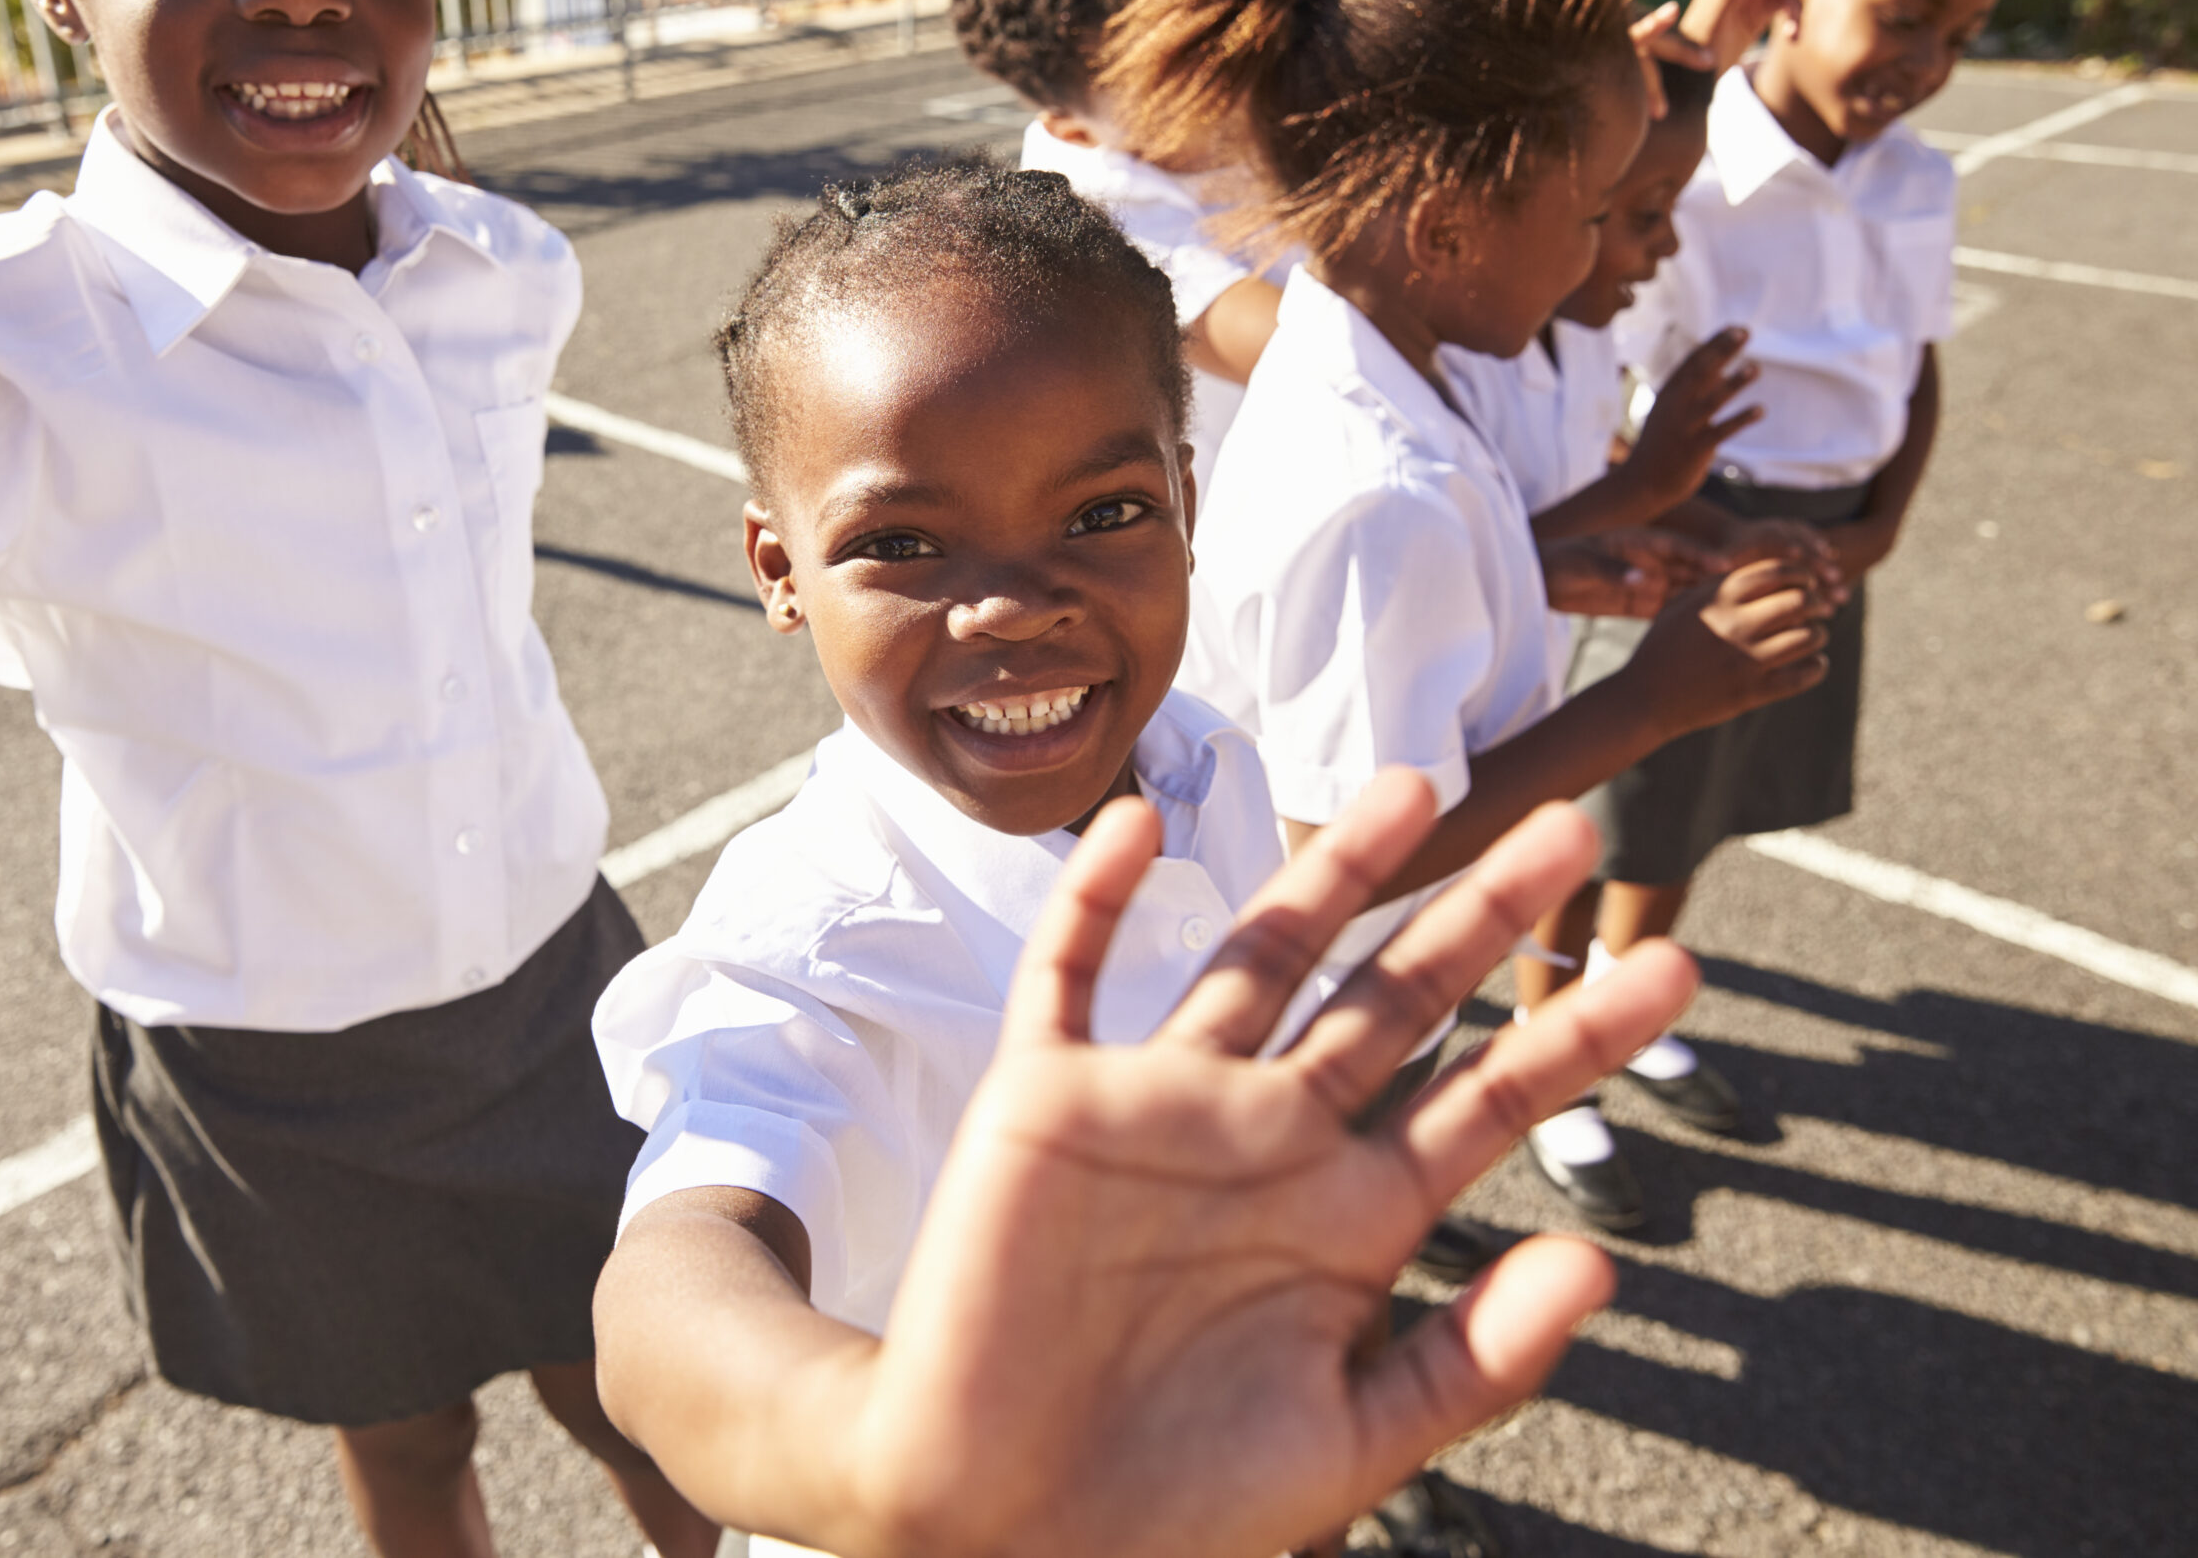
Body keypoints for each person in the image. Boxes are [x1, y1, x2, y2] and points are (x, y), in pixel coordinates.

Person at [0, 0, 715, 1554]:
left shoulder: (503, 268)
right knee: (412, 1442)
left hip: (563, 981)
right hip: (266, 1071)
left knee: (661, 1403)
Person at [585, 158, 1703, 1558]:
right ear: (779, 568)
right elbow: (678, 1278)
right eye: (902, 540)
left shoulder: (1203, 755)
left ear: (1185, 494)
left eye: (1102, 511)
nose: (1016, 606)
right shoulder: (813, 937)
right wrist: (886, 1445)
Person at [1096, 0, 1836, 1543]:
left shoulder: (1383, 366)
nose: (1605, 256)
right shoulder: (1380, 484)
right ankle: (1339, 1447)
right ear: (1444, 220)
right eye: (1586, 211)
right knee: (1319, 1249)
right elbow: (1353, 862)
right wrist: (1666, 695)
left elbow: (1425, 604)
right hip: (1330, 1006)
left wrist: (1580, 540)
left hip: (1335, 988)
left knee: (1333, 1235)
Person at [1563, 0, 2016, 1140]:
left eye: (1962, 35)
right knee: (1605, 803)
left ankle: (1619, 1004)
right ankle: (1548, 1066)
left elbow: (1914, 362)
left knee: (1705, 805)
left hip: (1828, 536)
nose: (1926, 62)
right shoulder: (1684, 167)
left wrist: (1881, 526)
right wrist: (1691, 526)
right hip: (1676, 526)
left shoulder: (1917, 177)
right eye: (1906, 15)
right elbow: (1596, 387)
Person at [1438, 59, 1847, 1224]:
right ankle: (1539, 1077)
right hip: (1450, 772)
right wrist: (1651, 690)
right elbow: (1445, 547)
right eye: (1638, 217)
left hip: (1517, 709)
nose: (1665, 250)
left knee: (1618, 841)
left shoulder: (1572, 335)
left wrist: (1705, 518)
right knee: (1552, 863)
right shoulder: (1461, 367)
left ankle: (1572, 1050)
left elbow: (1573, 497)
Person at [950, 0, 1284, 505]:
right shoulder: (1095, 216)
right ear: (1074, 127)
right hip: (1264, 552)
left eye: (1216, 35)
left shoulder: (1274, 53)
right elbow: (1307, 352)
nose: (1222, 85)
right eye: (1170, 88)